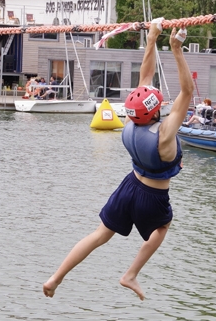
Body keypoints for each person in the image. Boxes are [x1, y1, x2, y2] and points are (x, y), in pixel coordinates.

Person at [43, 21, 193, 301]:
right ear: (155, 109)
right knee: (161, 228)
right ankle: (131, 274)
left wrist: (152, 38)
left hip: (129, 186)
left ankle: (56, 277)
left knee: (100, 235)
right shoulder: (164, 133)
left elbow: (144, 80)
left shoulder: (130, 121)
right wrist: (176, 49)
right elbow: (187, 92)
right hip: (153, 195)